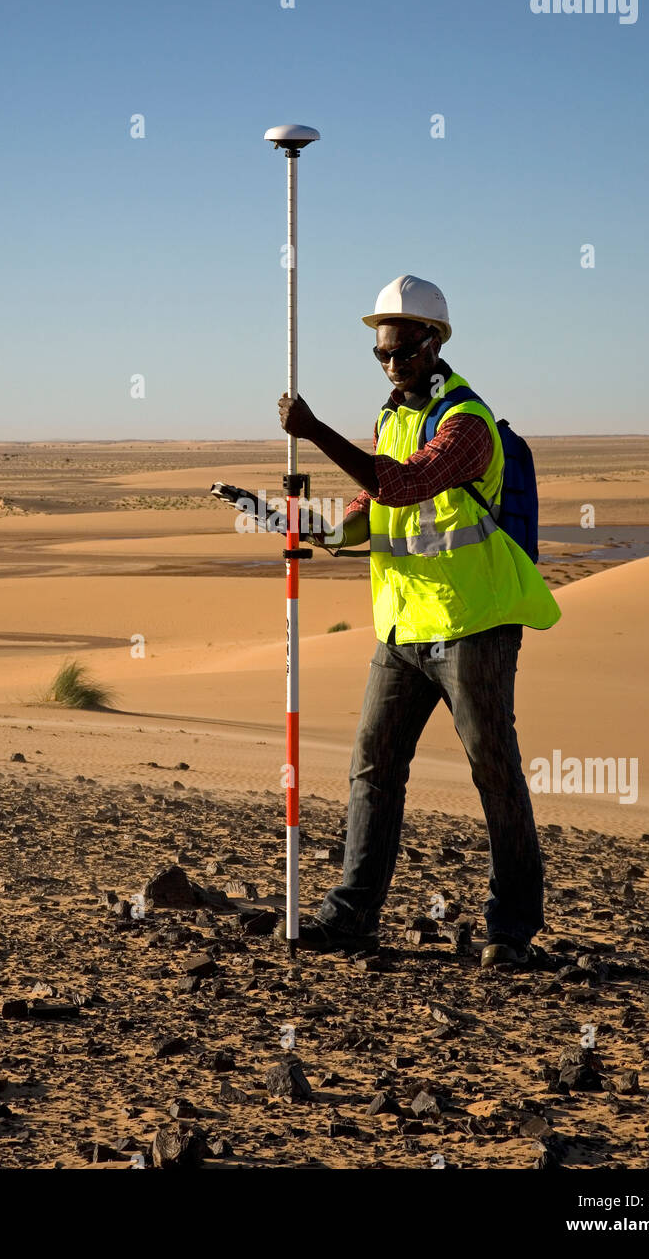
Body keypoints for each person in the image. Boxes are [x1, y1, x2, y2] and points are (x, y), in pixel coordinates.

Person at [276, 275, 561, 969]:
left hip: (471, 625)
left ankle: (511, 928)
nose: (391, 364)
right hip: (402, 628)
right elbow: (376, 508)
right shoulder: (392, 418)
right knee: (371, 769)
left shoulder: (467, 424)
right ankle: (349, 919)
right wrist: (319, 531)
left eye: (402, 352)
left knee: (493, 772)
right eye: (381, 354)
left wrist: (312, 431)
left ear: (435, 344)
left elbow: (401, 484)